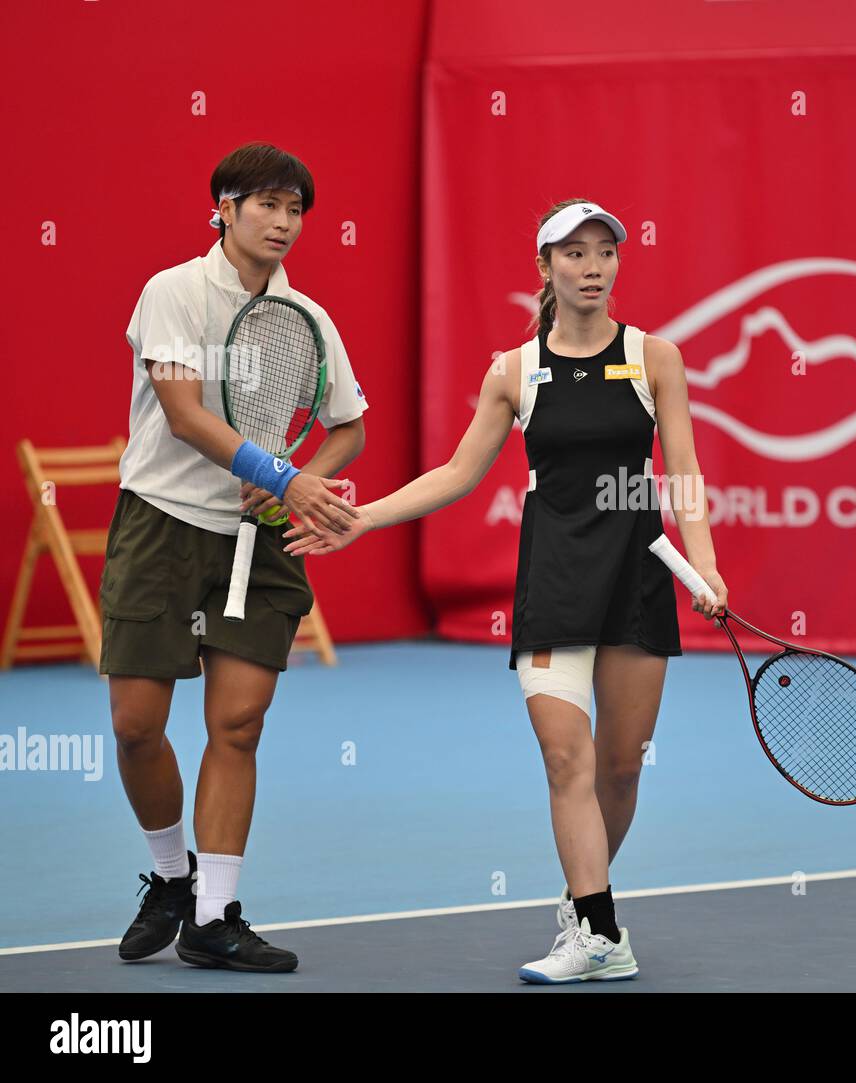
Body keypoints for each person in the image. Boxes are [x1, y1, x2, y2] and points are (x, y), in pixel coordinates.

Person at [284, 199, 727, 983]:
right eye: (575, 253)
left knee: (621, 766)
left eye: (605, 253)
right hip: (554, 581)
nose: (593, 267)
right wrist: (364, 518)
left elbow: (683, 473)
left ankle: (582, 906)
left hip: (636, 577)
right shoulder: (513, 370)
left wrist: (707, 563)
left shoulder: (656, 357)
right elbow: (458, 473)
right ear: (546, 267)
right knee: (567, 760)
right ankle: (597, 929)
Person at [106, 141, 366, 972]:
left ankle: (215, 915)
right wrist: (282, 475)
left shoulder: (308, 318)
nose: (283, 223)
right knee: (137, 726)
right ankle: (170, 874)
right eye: (266, 205)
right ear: (223, 206)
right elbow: (183, 413)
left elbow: (349, 425)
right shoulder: (173, 291)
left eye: (296, 209)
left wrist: (299, 480)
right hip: (163, 523)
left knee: (238, 725)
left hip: (258, 541)